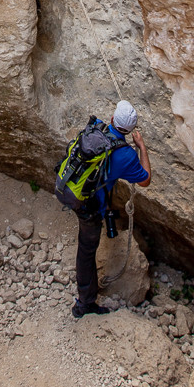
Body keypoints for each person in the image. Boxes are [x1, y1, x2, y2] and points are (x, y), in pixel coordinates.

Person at [71, 100, 151, 319]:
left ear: (113, 119)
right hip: (90, 205)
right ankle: (84, 304)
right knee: (87, 250)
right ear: (131, 130)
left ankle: (85, 297)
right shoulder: (126, 156)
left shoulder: (96, 126)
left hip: (74, 188)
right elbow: (145, 179)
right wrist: (142, 147)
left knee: (87, 241)